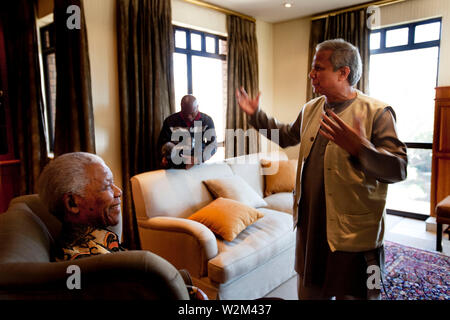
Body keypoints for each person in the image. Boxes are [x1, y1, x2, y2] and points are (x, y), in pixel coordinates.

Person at [236, 39, 408, 300]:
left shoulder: (378, 112)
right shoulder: (310, 109)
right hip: (311, 231)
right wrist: (256, 116)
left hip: (355, 238)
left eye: (318, 68)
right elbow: (286, 136)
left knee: (360, 294)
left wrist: (361, 149)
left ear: (343, 72)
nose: (311, 74)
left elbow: (399, 168)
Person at [37, 152, 207, 299]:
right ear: (72, 203)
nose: (119, 192)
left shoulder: (94, 239)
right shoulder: (90, 268)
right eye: (106, 186)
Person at [157, 95, 217, 169]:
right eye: (185, 113)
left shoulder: (207, 121)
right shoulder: (170, 121)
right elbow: (162, 144)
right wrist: (164, 156)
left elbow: (213, 145)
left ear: (197, 107)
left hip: (197, 164)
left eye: (192, 113)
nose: (189, 117)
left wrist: (199, 158)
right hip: (175, 166)